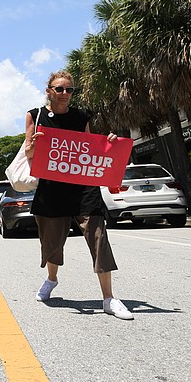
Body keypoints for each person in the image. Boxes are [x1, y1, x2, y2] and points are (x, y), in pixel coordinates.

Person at [25, 71, 133, 320]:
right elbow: (29, 154)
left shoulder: (81, 116)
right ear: (48, 90)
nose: (65, 94)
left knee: (98, 238)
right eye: (59, 89)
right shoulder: (35, 115)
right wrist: (34, 145)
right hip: (51, 189)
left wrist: (109, 143)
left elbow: (89, 148)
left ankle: (109, 298)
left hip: (83, 188)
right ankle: (51, 279)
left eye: (69, 89)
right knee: (52, 245)